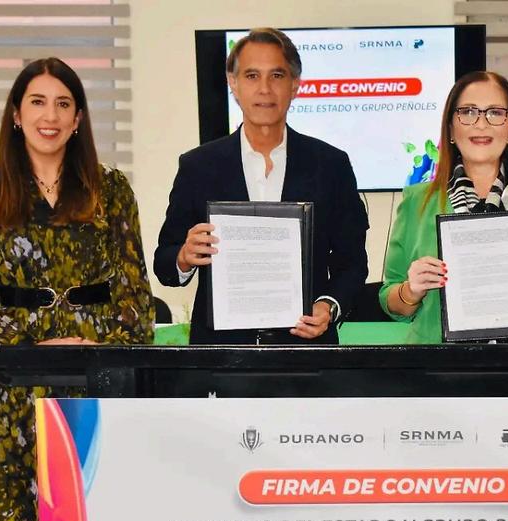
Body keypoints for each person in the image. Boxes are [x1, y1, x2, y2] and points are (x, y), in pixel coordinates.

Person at [0, 57, 155, 521]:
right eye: (38, 102)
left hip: (93, 391)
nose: (51, 116)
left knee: (92, 520)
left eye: (63, 104)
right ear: (16, 114)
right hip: (13, 391)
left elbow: (137, 301)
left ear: (78, 118)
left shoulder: (111, 190)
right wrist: (35, 348)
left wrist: (87, 345)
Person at [154, 28, 368, 344]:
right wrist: (184, 256)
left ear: (295, 85)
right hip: (221, 355)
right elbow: (164, 263)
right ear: (233, 83)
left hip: (305, 352)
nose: (264, 89)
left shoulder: (330, 165)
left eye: (277, 76)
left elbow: (352, 263)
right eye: (252, 76)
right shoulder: (198, 166)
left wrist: (328, 306)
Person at [379, 71, 508, 344]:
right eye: (468, 112)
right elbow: (391, 301)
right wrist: (411, 290)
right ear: (450, 129)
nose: (481, 124)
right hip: (443, 361)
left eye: (495, 113)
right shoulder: (417, 200)